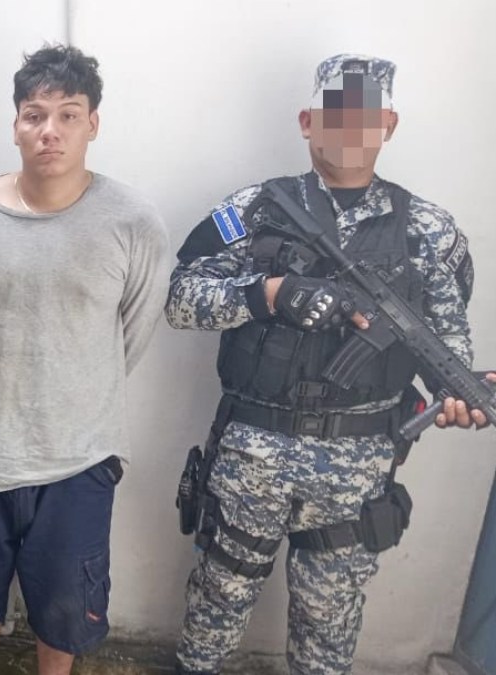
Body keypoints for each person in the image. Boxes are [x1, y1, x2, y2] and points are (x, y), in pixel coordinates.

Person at [167, 54, 492, 675]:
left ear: (388, 124)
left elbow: (446, 350)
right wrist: (269, 295)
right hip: (253, 451)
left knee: (329, 624)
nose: (350, 129)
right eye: (336, 113)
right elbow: (181, 300)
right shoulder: (255, 209)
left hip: (358, 466)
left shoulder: (429, 232)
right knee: (216, 602)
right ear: (307, 121)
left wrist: (457, 396)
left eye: (366, 116)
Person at [0, 45, 171, 675]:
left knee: (65, 611)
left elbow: (133, 331)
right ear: (16, 125)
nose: (50, 131)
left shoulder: (133, 222)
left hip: (77, 458)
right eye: (35, 115)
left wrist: (76, 387)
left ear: (94, 124)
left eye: (68, 115)